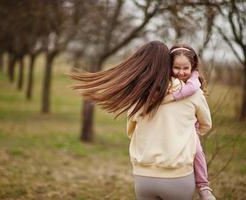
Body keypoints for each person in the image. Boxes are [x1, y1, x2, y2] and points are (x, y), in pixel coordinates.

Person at [70, 41, 212, 200]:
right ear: (167, 64)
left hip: (143, 177)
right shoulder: (193, 93)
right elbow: (206, 125)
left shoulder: (139, 96)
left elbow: (130, 131)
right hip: (177, 176)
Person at [160, 44, 216, 200]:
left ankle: (203, 186)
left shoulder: (193, 83)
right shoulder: (164, 81)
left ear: (193, 67)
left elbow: (190, 91)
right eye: (176, 67)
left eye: (185, 68)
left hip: (190, 130)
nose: (181, 72)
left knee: (197, 151)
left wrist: (195, 132)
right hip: (166, 131)